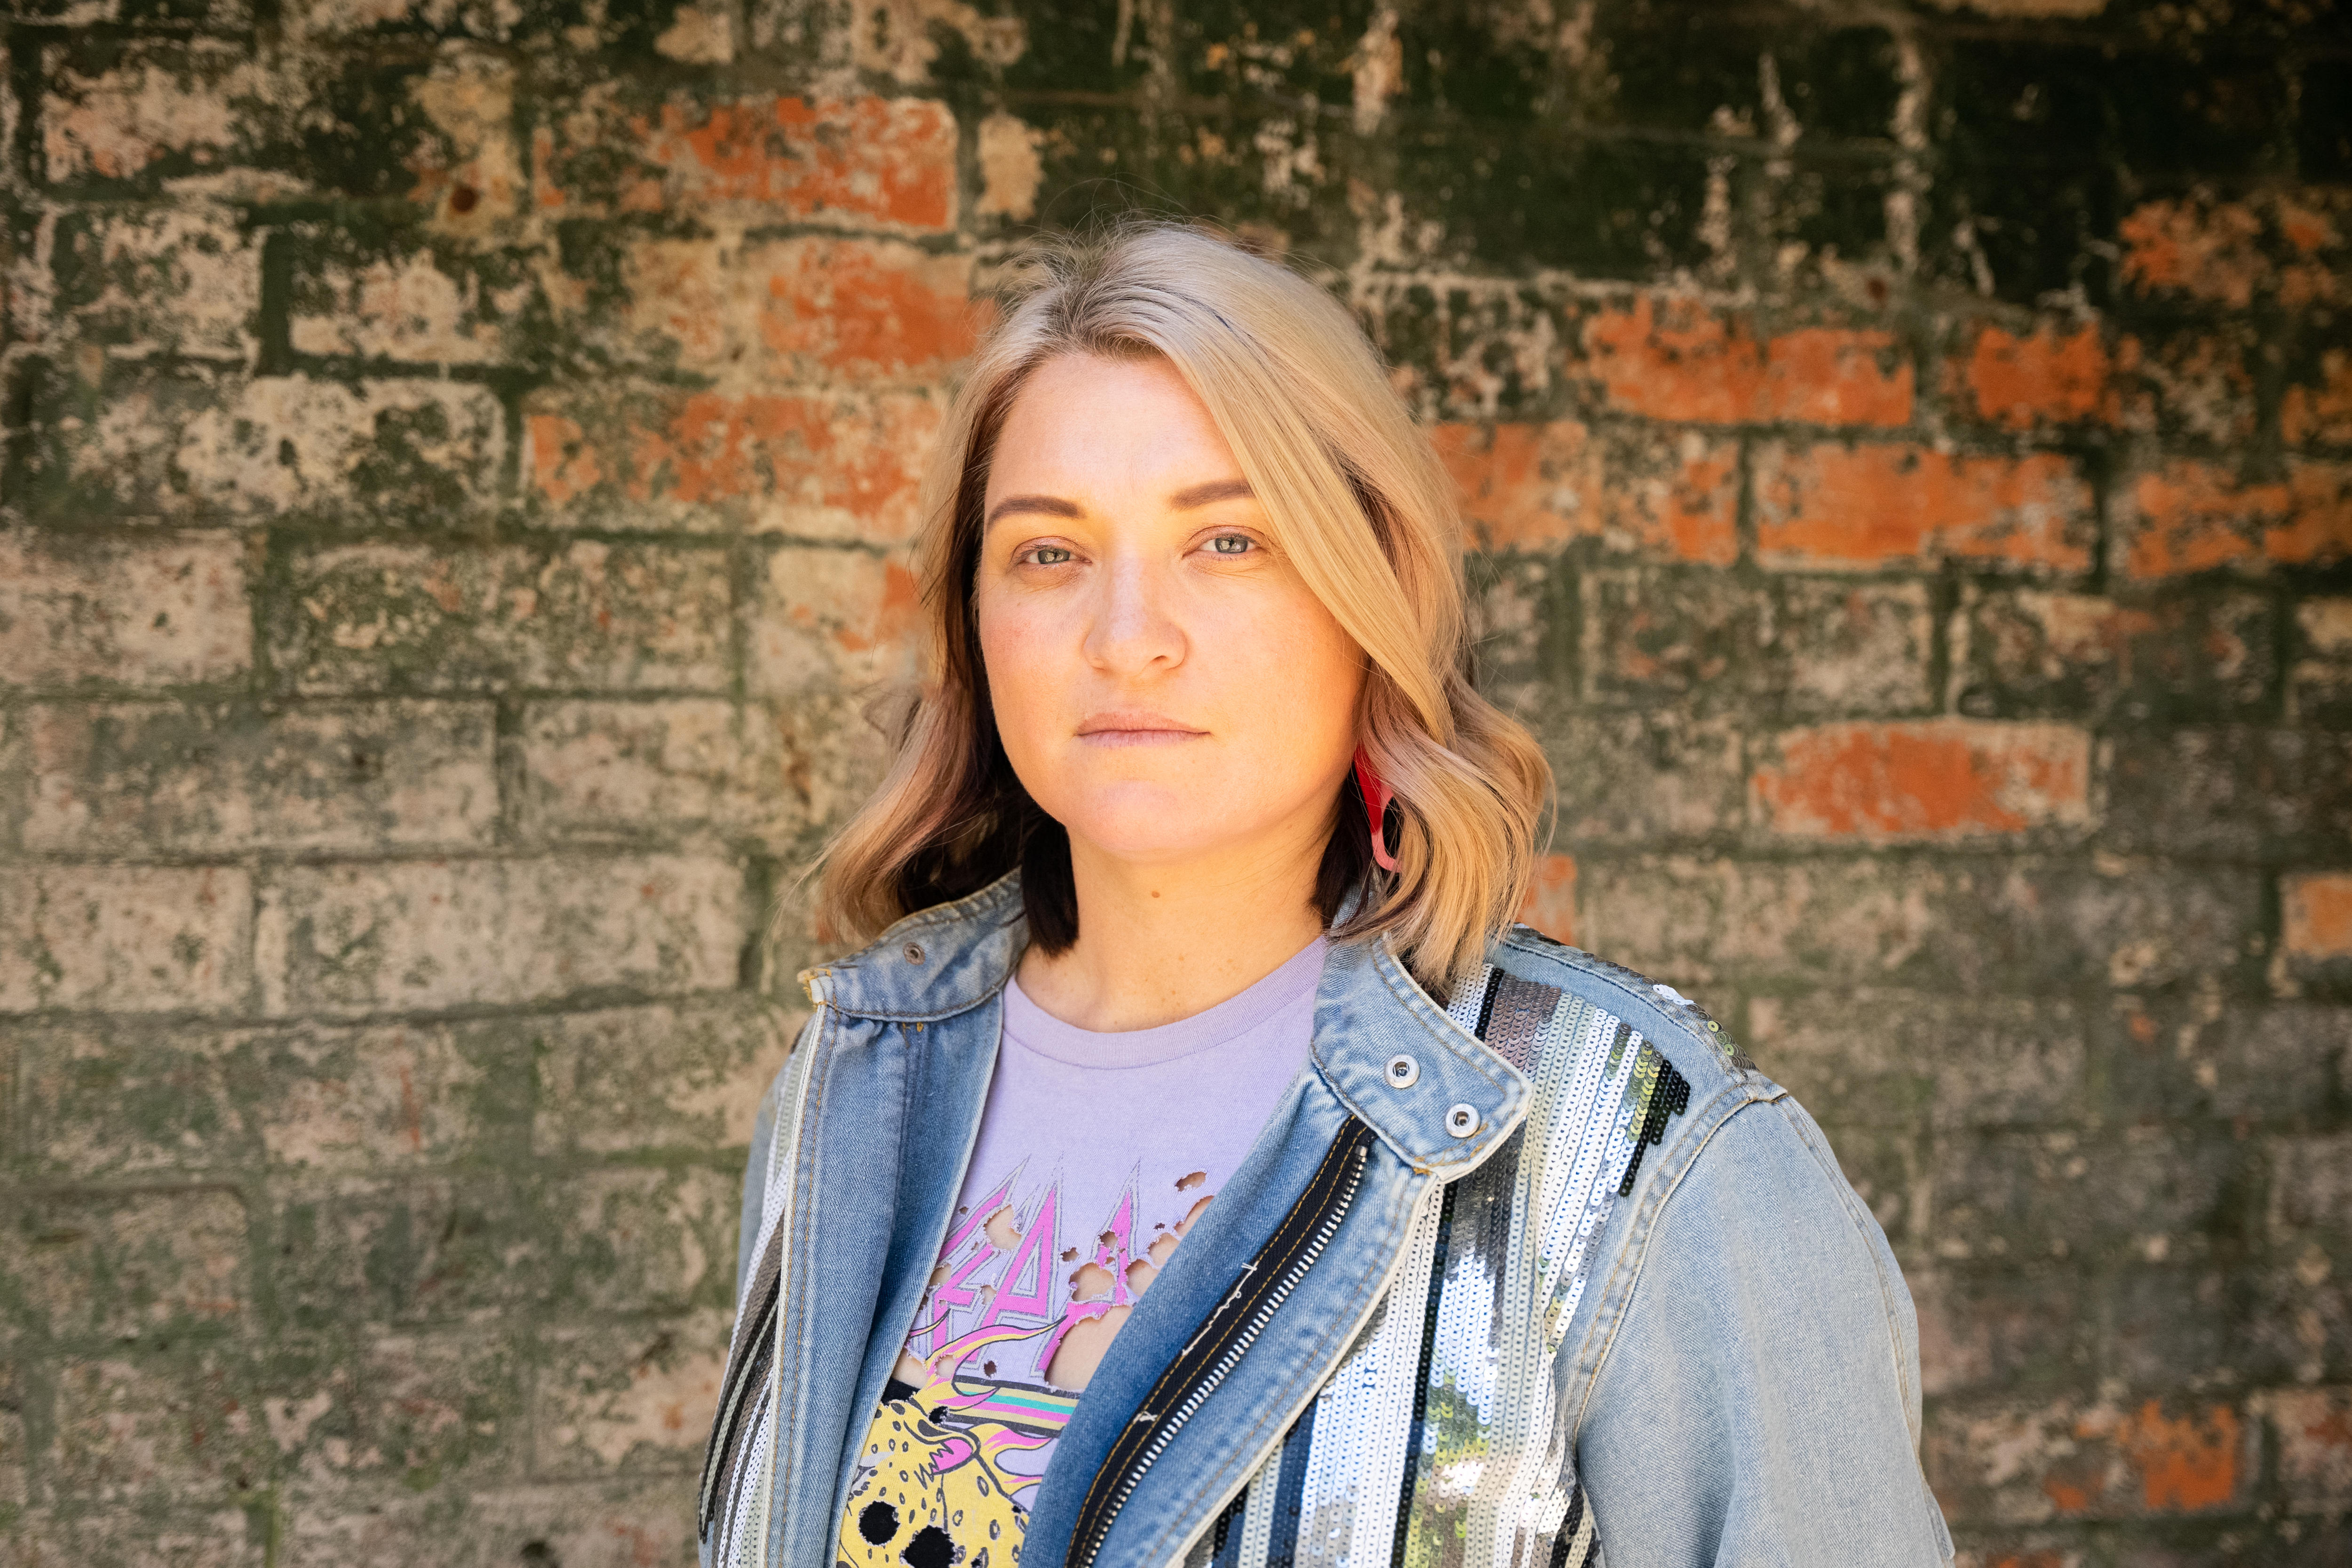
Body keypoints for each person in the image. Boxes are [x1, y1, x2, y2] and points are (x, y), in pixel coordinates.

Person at [697, 223, 1955, 1568]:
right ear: (975, 616)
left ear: (1375, 598)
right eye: (1049, 553)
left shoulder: (1641, 1157)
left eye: (1229, 540)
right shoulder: (854, 1082)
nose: (1128, 637)